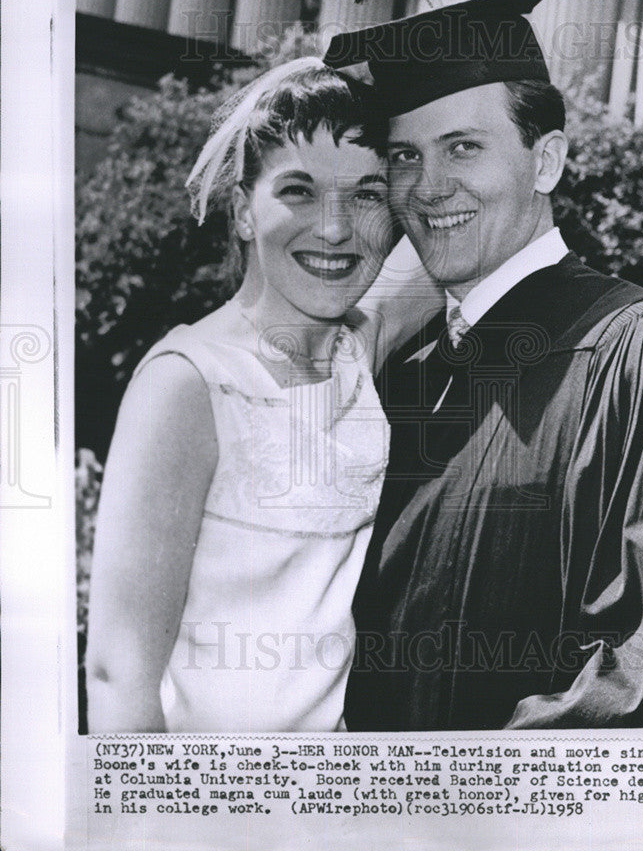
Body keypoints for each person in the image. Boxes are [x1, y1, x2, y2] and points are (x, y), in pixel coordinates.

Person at [323, 0, 643, 730]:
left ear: (548, 159)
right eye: (406, 156)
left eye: (465, 146)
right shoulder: (403, 384)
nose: (429, 185)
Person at [85, 56, 440, 733]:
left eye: (366, 195)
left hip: (331, 814)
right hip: (203, 816)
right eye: (299, 191)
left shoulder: (361, 346)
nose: (335, 229)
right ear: (246, 211)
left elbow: (465, 191)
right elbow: (118, 674)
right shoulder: (187, 382)